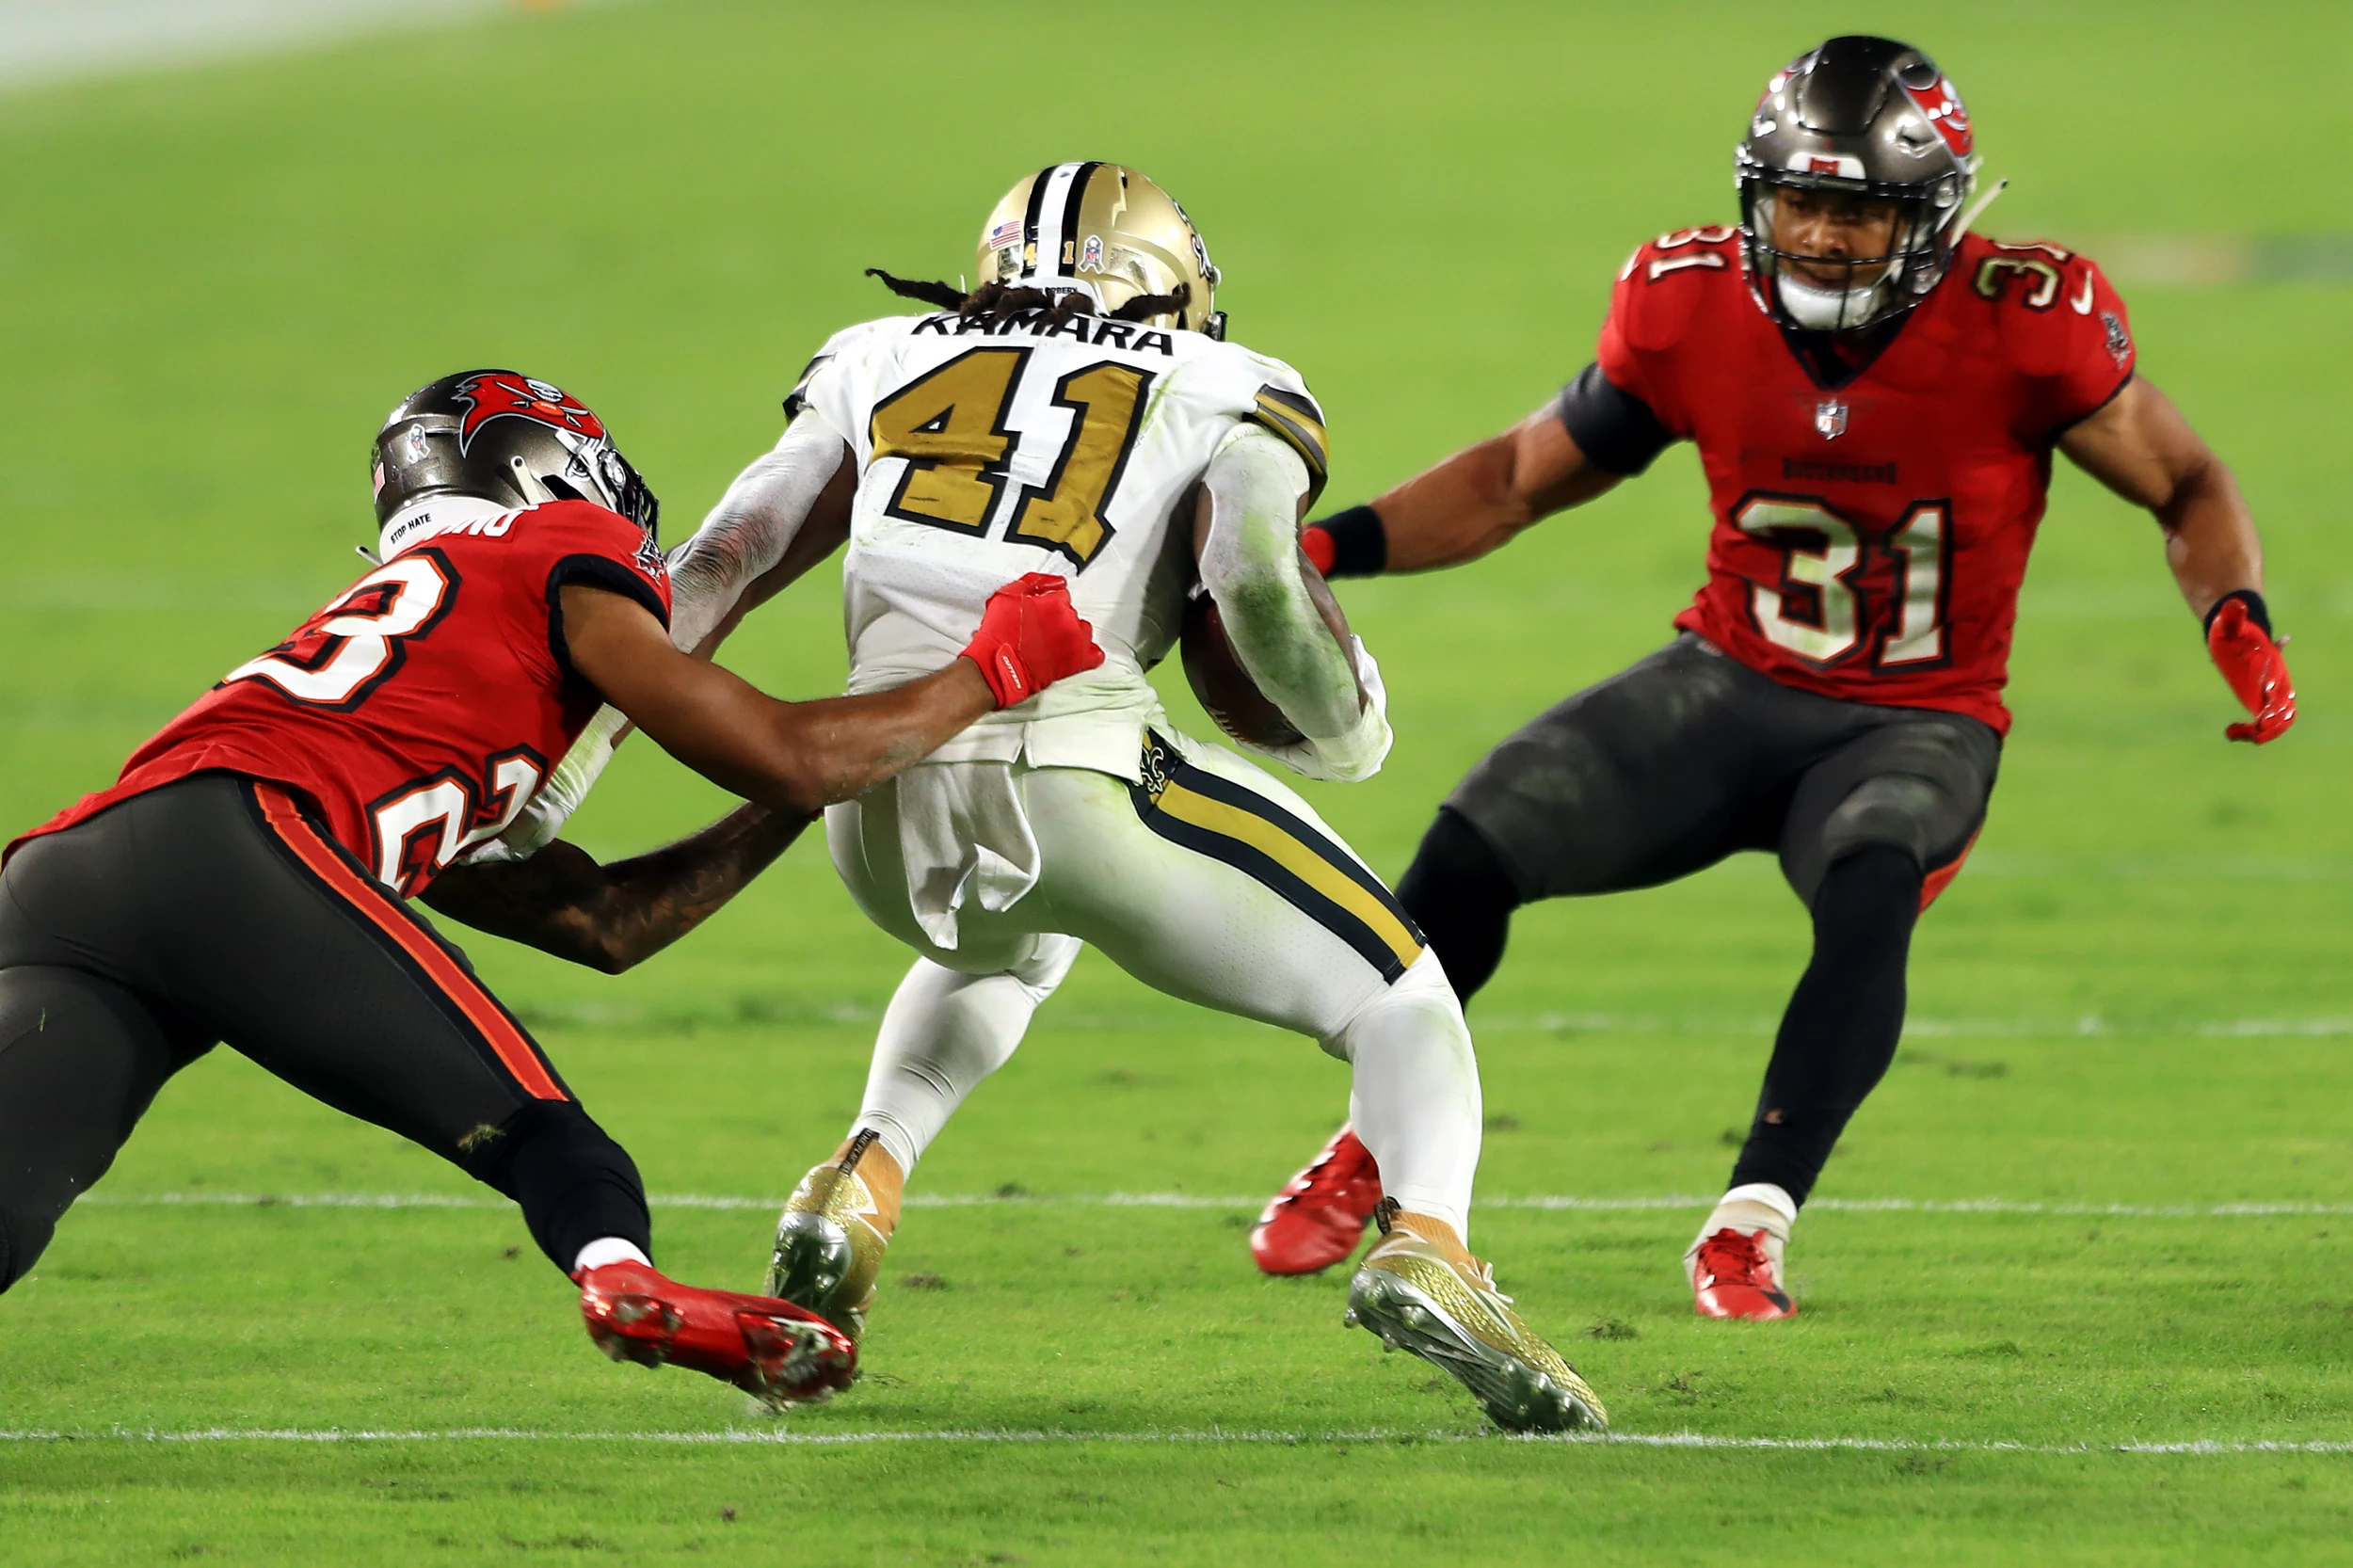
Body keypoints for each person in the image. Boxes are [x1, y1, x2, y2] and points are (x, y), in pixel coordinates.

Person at [525, 164, 1609, 1432]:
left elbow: (720, 559)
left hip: (870, 795)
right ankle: (1430, 1241)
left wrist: (557, 773)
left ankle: (857, 1178)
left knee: (1013, 941)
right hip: (1069, 762)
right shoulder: (1220, 378)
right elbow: (1253, 579)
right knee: (1402, 990)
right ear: (1174, 290)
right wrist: (1349, 727)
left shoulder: (880, 351)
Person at [1249, 37, 2297, 1320]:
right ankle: (1371, 1149)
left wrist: (2233, 611)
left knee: (1871, 881)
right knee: (1475, 838)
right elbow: (1523, 478)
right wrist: (1328, 545)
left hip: (1918, 715)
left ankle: (1753, 1220)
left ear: (1929, 214)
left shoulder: (2030, 323)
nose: (1816, 234)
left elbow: (2185, 478)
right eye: (1797, 199)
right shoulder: (1690, 301)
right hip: (1727, 683)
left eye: (1855, 208)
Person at [0, 369, 1105, 1406]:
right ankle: (626, 1283)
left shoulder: (406, 646)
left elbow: (604, 922)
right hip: (247, 845)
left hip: (66, 875)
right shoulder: (556, 542)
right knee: (551, 1146)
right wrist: (987, 671)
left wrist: (836, 782)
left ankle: (624, 1274)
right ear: (549, 469)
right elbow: (786, 754)